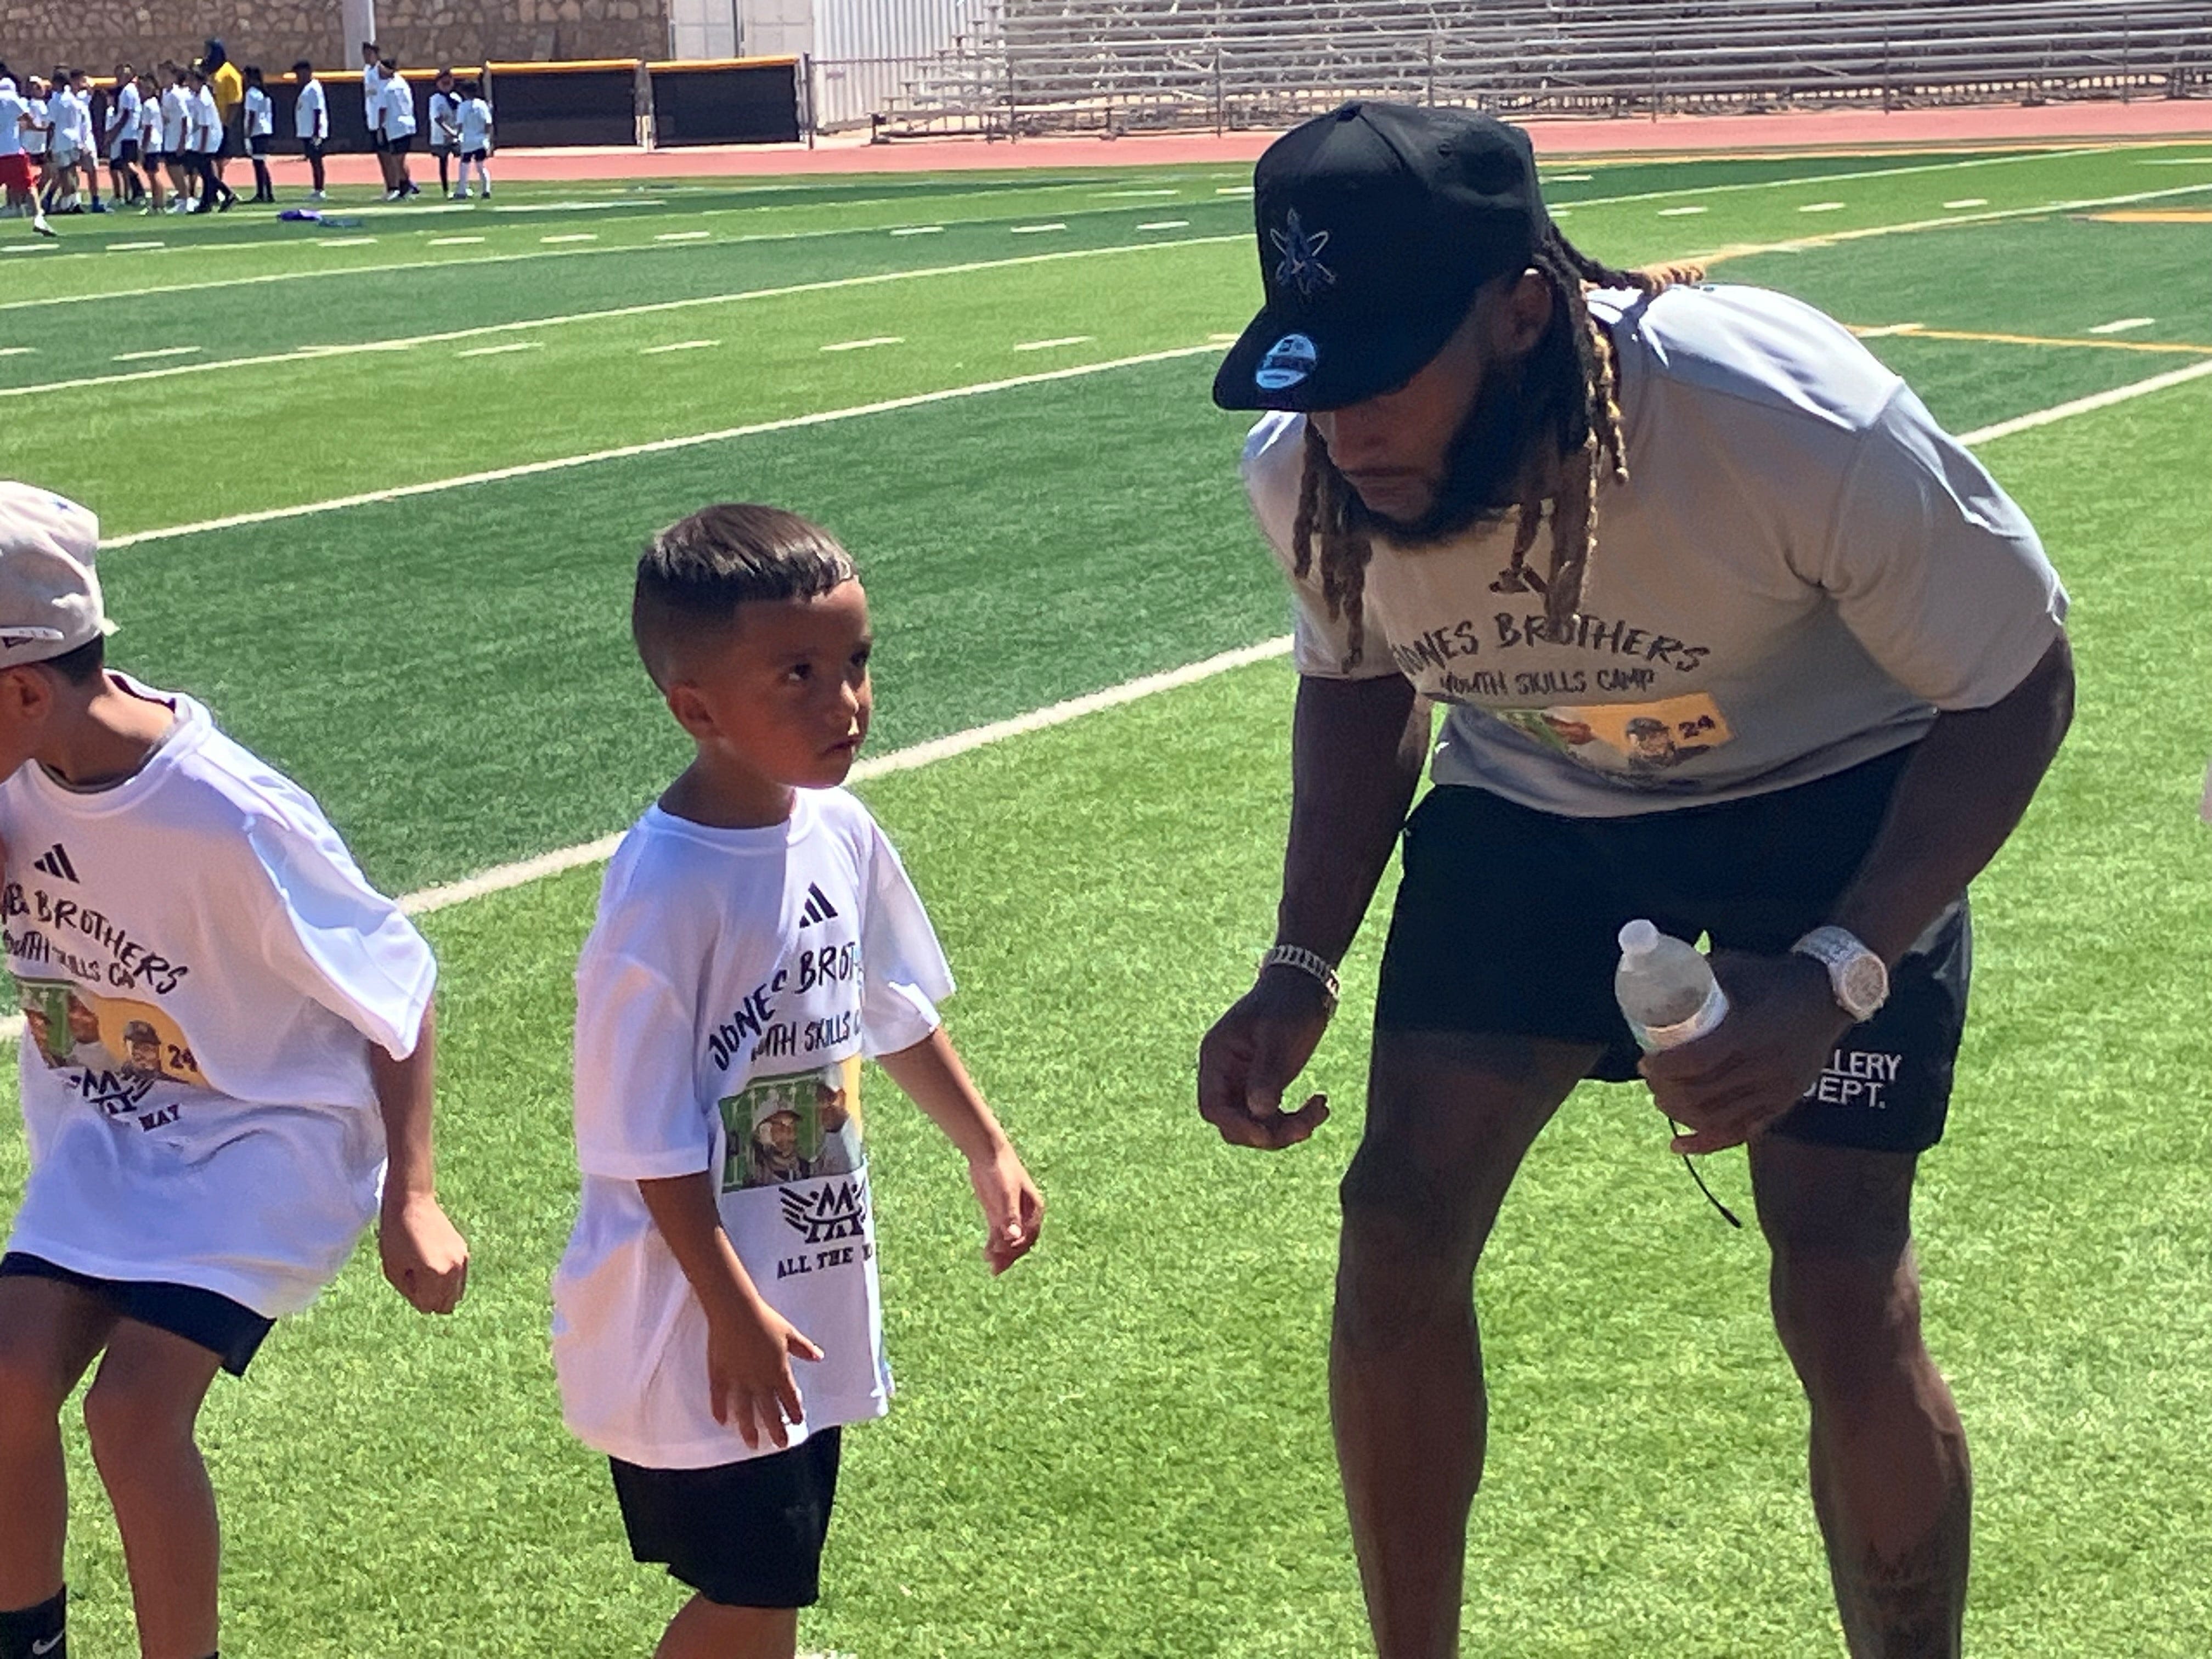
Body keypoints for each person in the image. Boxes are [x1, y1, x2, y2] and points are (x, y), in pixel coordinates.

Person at [1196, 103, 2072, 1659]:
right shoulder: (1315, 478)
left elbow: (2017, 685)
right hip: (1541, 803)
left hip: (1834, 797)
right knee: (1394, 1219)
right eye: (1318, 381)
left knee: (1838, 1274)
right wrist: (1297, 961)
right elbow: (1357, 677)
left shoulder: (1772, 413)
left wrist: (1840, 972)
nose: (1350, 431)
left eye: (1387, 370)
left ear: (1523, 311)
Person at [551, 503, 1044, 1659]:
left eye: (857, 664)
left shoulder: (841, 829)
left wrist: (986, 1144)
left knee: (772, 1588)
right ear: (697, 710)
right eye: (800, 676)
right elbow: (644, 1138)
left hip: (800, 1297)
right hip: (696, 1318)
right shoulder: (665, 888)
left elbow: (885, 1006)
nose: (848, 704)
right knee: (752, 1593)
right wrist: (730, 1311)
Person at [0, 481, 470, 1659]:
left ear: (18, 692)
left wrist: (411, 1198)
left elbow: (398, 987)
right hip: (105, 1137)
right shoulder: (14, 777)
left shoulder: (225, 814)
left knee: (131, 1412)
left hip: (269, 1137)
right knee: (4, 1381)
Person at [0, 70, 53, 236]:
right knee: (29, 186)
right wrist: (40, 128)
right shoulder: (13, 99)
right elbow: (28, 119)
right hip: (13, 151)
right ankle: (38, 218)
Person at [182, 67, 232, 213]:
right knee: (205, 172)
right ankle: (209, 202)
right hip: (203, 137)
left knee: (205, 170)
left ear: (199, 81)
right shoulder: (197, 95)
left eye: (192, 80)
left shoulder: (204, 99)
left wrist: (203, 146)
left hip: (209, 137)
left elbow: (205, 126)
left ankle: (225, 195)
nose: (189, 83)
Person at [201, 39, 241, 198]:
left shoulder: (229, 73)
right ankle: (212, 188)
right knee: (209, 158)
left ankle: (217, 189)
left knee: (218, 159)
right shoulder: (208, 70)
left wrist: (227, 123)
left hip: (221, 122)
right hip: (208, 121)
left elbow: (235, 102)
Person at [376, 58, 418, 200]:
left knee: (396, 160)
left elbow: (383, 109)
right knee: (400, 159)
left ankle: (405, 186)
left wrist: (380, 127)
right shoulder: (403, 83)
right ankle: (406, 186)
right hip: (408, 123)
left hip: (395, 126)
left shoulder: (386, 87)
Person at [104, 63, 144, 207]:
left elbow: (126, 114)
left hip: (128, 133)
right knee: (124, 164)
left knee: (128, 164)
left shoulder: (128, 91)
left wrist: (115, 132)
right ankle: (132, 194)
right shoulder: (129, 90)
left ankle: (139, 190)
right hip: (129, 133)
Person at [156, 63, 191, 212]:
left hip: (177, 138)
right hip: (169, 137)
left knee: (176, 169)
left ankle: (186, 199)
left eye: (166, 75)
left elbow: (185, 118)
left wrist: (183, 140)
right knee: (171, 168)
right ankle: (183, 197)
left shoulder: (177, 95)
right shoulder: (165, 93)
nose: (163, 79)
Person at [360, 42, 393, 198]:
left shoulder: (380, 71)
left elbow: (383, 96)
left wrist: (381, 123)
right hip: (372, 119)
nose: (367, 57)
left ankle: (395, 186)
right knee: (381, 154)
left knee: (389, 155)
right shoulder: (367, 71)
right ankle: (389, 186)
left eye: (369, 54)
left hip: (383, 120)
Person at [291, 59, 327, 199]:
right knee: (313, 161)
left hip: (313, 132)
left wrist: (317, 134)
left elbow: (317, 110)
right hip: (307, 131)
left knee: (317, 161)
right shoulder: (306, 88)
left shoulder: (314, 88)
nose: (298, 78)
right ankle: (317, 188)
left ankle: (320, 189)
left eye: (300, 74)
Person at [452, 79, 492, 199]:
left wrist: (456, 137)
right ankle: (486, 190)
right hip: (480, 139)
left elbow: (460, 125)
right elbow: (488, 124)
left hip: (468, 140)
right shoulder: (482, 105)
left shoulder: (463, 107)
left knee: (464, 166)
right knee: (481, 166)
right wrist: (488, 139)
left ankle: (462, 190)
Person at [132, 71, 165, 214]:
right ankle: (157, 203)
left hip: (151, 145)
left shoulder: (149, 106)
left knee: (153, 174)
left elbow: (148, 129)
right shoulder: (153, 104)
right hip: (153, 144)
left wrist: (143, 149)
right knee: (151, 174)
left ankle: (159, 203)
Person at [240, 66, 273, 202]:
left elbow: (252, 115)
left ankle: (262, 194)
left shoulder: (252, 94)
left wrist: (247, 135)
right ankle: (267, 193)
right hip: (265, 131)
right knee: (260, 163)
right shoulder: (263, 94)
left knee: (258, 164)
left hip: (257, 132)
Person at [426, 68, 458, 199]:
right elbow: (438, 118)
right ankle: (446, 189)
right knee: (443, 162)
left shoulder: (456, 97)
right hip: (442, 136)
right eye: (443, 83)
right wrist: (449, 132)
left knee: (464, 160)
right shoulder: (436, 99)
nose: (446, 85)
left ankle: (463, 186)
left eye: (448, 83)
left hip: (456, 135)